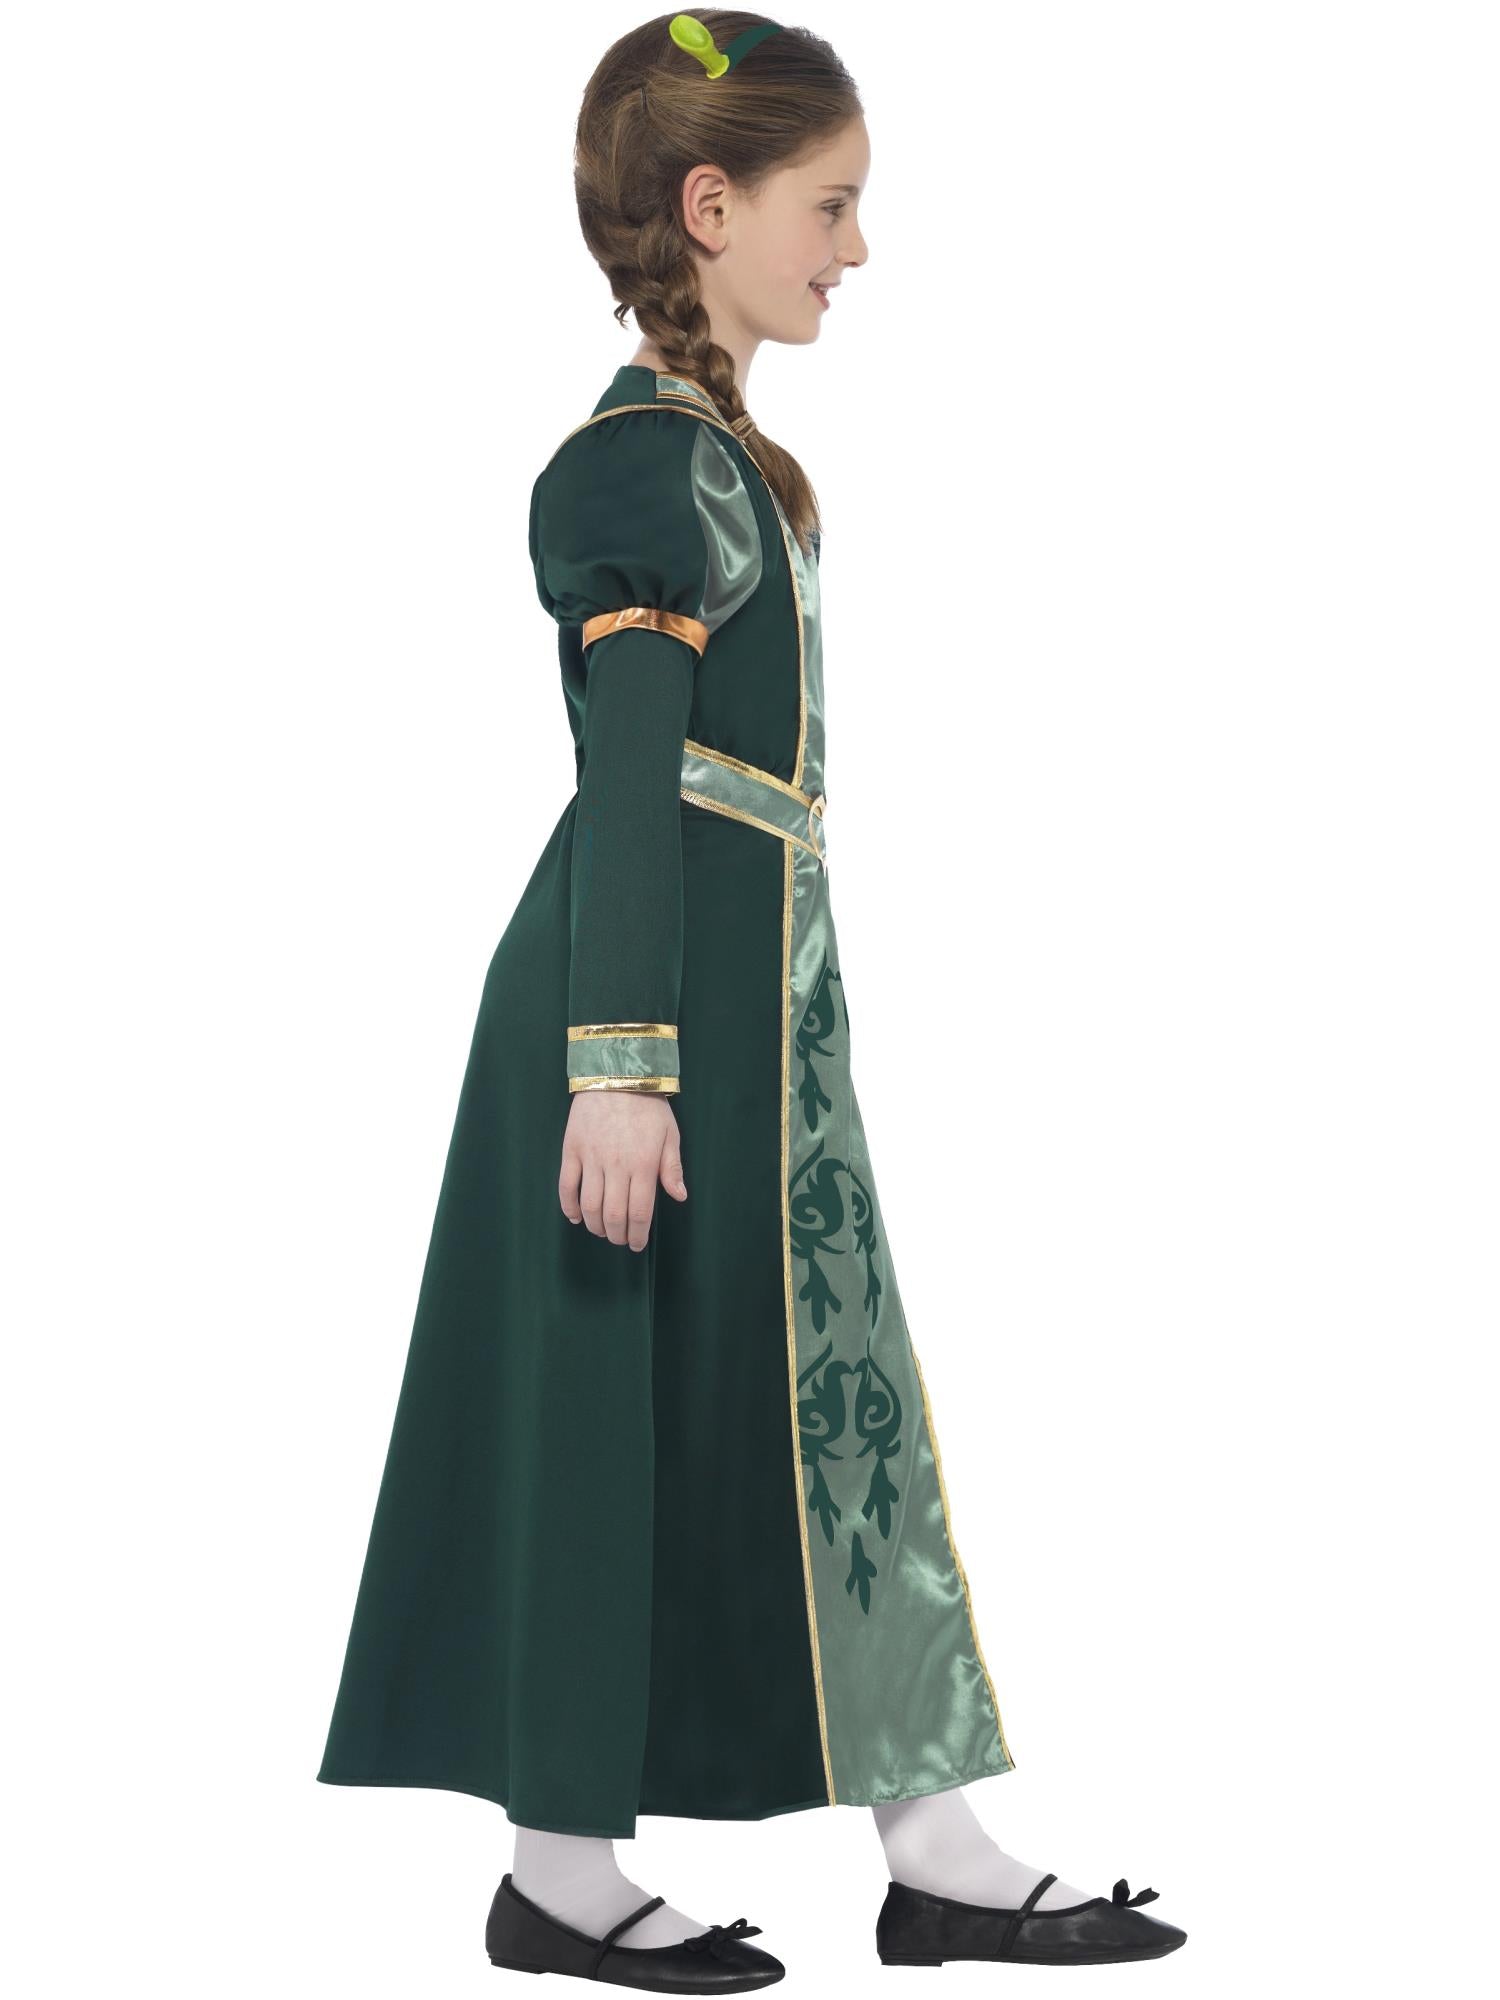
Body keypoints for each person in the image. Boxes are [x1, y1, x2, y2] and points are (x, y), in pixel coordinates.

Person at [315, 12, 1187, 1986]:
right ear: (712, 209)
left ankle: (921, 1839)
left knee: (800, 1397)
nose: (858, 248)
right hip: (636, 1009)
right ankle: (568, 1871)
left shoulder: (728, 465)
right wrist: (617, 1064)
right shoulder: (641, 469)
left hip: (752, 996)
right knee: (597, 1403)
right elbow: (631, 769)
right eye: (832, 205)